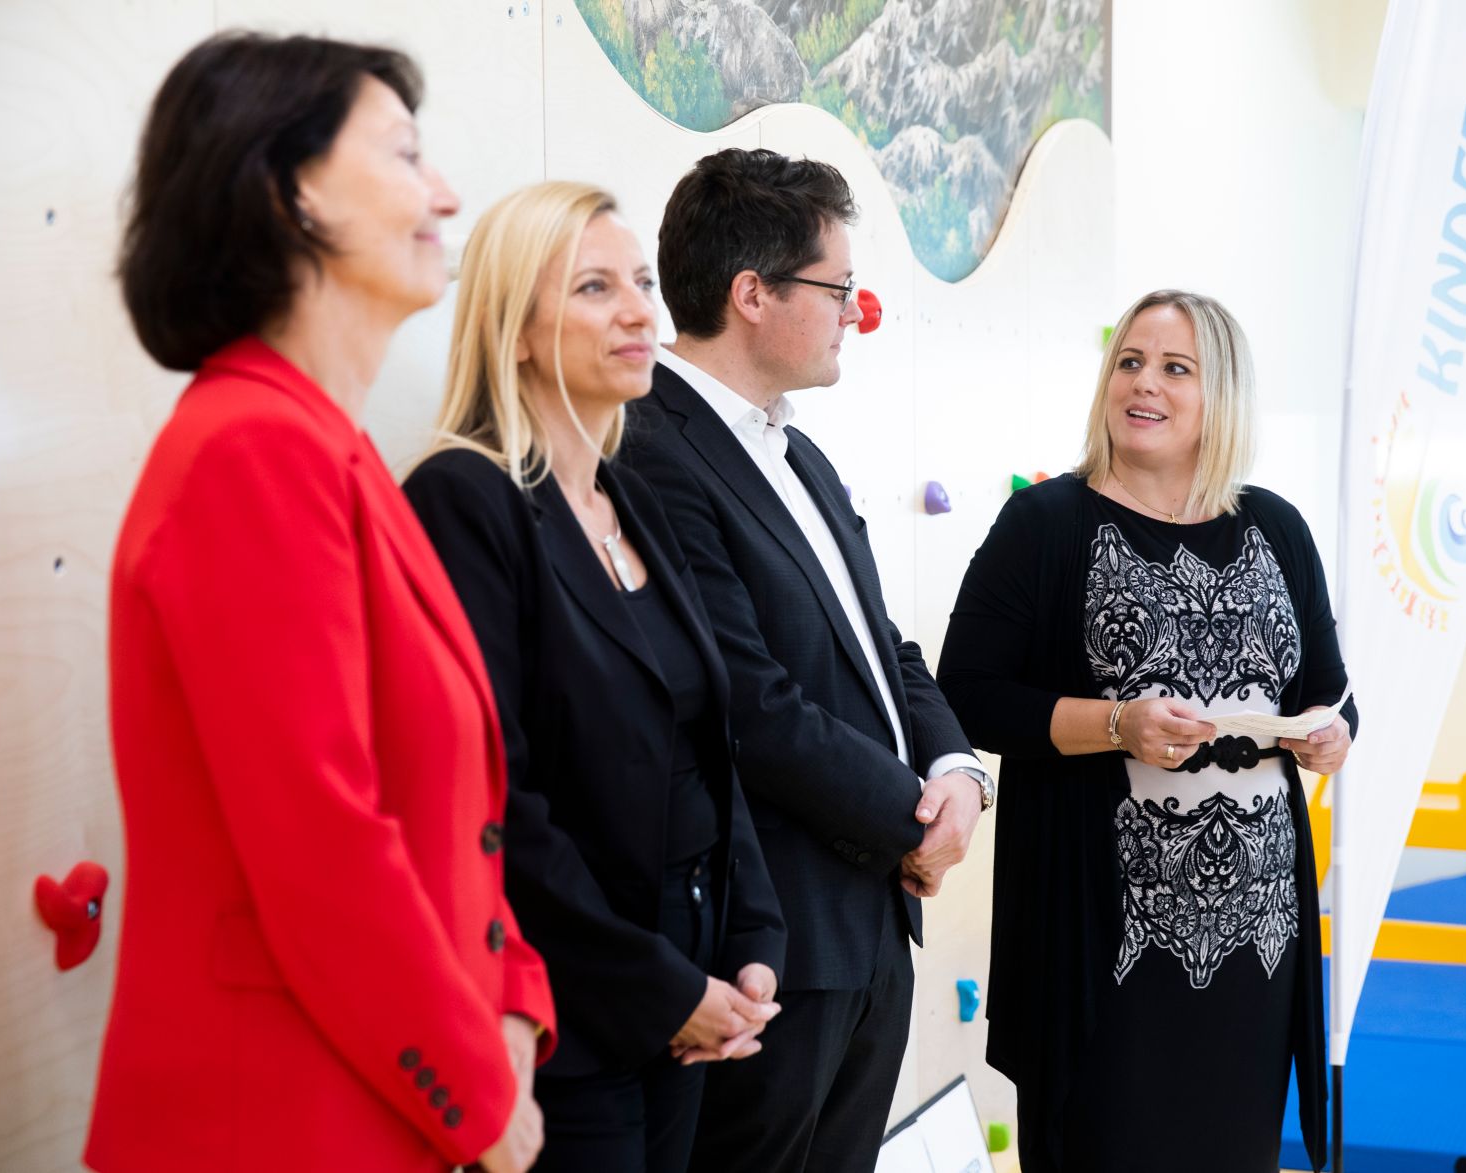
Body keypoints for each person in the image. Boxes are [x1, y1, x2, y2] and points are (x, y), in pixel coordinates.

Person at [89, 32, 554, 1173]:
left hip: (364, 1101)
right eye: (403, 154)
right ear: (287, 192)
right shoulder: (249, 451)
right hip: (277, 1119)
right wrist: (477, 1097)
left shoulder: (331, 456)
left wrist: (510, 1005)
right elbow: (319, 842)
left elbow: (452, 818)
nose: (444, 191)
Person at [620, 148, 994, 1173]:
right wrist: (907, 822)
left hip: (870, 920)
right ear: (751, 294)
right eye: (837, 288)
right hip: (773, 932)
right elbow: (746, 698)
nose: (853, 312)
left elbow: (880, 647)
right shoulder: (651, 447)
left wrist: (957, 774)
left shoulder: (797, 452)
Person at [402, 181, 788, 1173]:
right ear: (514, 333)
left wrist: (753, 939)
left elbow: (709, 741)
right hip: (568, 1025)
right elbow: (496, 802)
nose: (637, 313)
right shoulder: (462, 499)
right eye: (591, 288)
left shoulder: (629, 496)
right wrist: (658, 990)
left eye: (642, 283)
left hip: (689, 1000)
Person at [937, 289, 1358, 1173]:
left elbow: (1331, 692)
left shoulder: (1276, 526)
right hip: (1103, 942)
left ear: (1223, 395)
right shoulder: (1045, 524)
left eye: (1176, 368)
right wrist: (1116, 725)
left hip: (1257, 935)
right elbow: (966, 694)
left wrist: (1330, 734)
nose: (1145, 384)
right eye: (1130, 362)